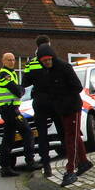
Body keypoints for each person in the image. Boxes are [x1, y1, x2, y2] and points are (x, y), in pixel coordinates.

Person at [41, 48, 92, 186]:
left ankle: (70, 170)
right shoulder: (48, 72)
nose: (47, 62)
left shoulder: (64, 67)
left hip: (72, 107)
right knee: (73, 136)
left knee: (71, 139)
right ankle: (84, 162)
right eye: (44, 61)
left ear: (52, 57)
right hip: (62, 109)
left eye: (48, 60)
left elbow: (77, 87)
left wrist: (61, 95)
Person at [22, 35, 64, 178]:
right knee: (62, 130)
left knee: (42, 135)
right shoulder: (53, 60)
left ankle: (46, 166)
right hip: (54, 100)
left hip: (39, 101)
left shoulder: (31, 63)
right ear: (48, 44)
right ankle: (71, 161)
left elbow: (25, 82)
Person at [0, 52, 35, 177]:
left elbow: (19, 90)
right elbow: (18, 91)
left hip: (10, 109)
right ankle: (30, 162)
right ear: (3, 61)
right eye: (8, 60)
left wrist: (20, 89)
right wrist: (21, 89)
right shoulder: (3, 74)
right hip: (10, 109)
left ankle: (5, 167)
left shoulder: (11, 74)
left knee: (9, 137)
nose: (12, 62)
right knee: (27, 132)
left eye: (13, 60)